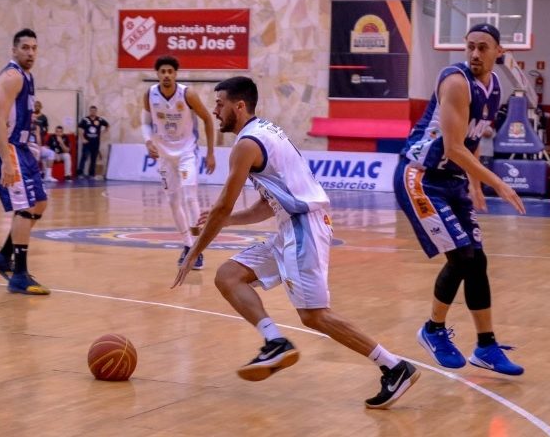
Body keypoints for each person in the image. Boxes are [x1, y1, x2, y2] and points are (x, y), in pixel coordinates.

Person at [173, 76, 419, 409]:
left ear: (239, 105)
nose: (215, 112)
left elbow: (221, 206)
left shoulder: (247, 144)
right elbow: (266, 204)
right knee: (229, 276)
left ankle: (394, 366)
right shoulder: (265, 132)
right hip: (293, 226)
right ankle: (275, 341)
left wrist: (194, 251)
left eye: (219, 104)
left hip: (305, 227)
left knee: (314, 315)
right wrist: (229, 221)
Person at [395, 24, 526, 376]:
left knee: (477, 261)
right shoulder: (455, 81)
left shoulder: (495, 86)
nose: (474, 54)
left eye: (483, 48)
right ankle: (432, 330)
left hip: (451, 179)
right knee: (462, 256)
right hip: (420, 176)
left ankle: (486, 346)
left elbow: (472, 139)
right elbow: (453, 147)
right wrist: (498, 182)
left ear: (499, 53)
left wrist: (475, 183)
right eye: (470, 47)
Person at [0, 28, 50, 295]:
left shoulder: (27, 76)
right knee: (25, 206)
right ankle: (19, 274)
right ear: (14, 50)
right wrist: (7, 161)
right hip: (6, 146)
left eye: (34, 48)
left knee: (40, 202)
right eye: (25, 47)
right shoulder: (11, 77)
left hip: (20, 146)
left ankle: (3, 255)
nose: (30, 52)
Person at [142, 55, 216, 269]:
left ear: (176, 74)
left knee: (189, 196)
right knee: (173, 201)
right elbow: (146, 123)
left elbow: (208, 119)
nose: (166, 75)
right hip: (165, 156)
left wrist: (210, 153)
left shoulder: (187, 94)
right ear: (157, 74)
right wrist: (148, 142)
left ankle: (197, 249)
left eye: (170, 72)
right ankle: (187, 245)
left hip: (187, 154)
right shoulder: (150, 94)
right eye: (162, 71)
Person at [76, 105, 108, 179]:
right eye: (91, 110)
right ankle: (80, 173)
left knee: (93, 158)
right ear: (90, 111)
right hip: (87, 142)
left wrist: (102, 133)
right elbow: (80, 129)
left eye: (94, 111)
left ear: (96, 111)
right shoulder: (85, 119)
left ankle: (91, 174)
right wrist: (83, 138)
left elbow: (107, 125)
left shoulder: (99, 119)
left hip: (96, 142)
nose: (93, 112)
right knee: (84, 157)